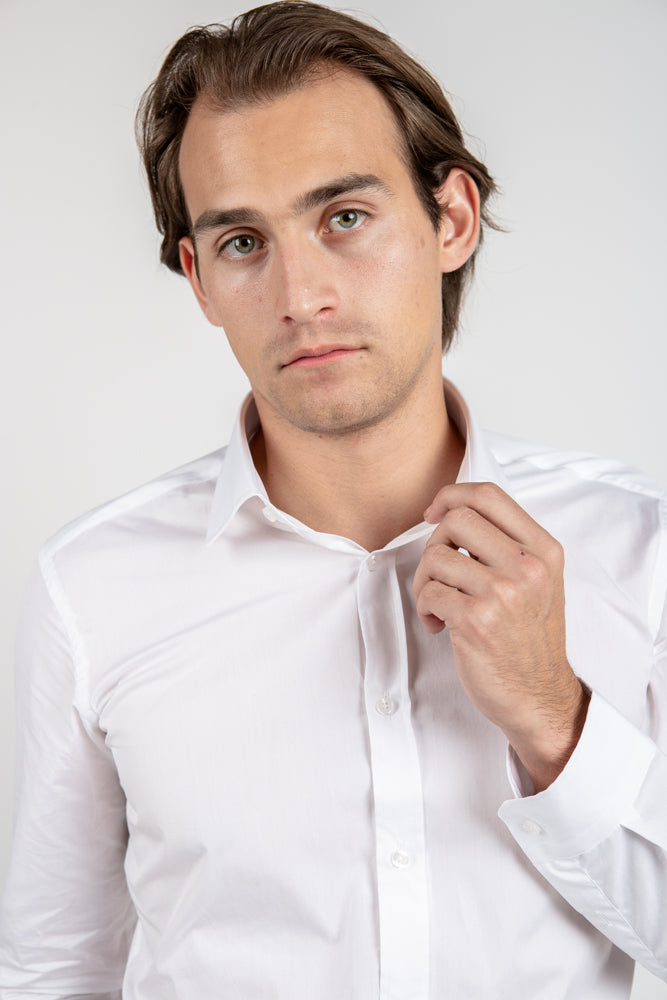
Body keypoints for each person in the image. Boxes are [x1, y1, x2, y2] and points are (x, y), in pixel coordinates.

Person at [0, 2, 665, 997]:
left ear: (450, 219)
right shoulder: (93, 587)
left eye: (344, 218)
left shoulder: (638, 547)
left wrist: (553, 718)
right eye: (241, 242)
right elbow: (55, 971)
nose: (299, 296)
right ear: (198, 278)